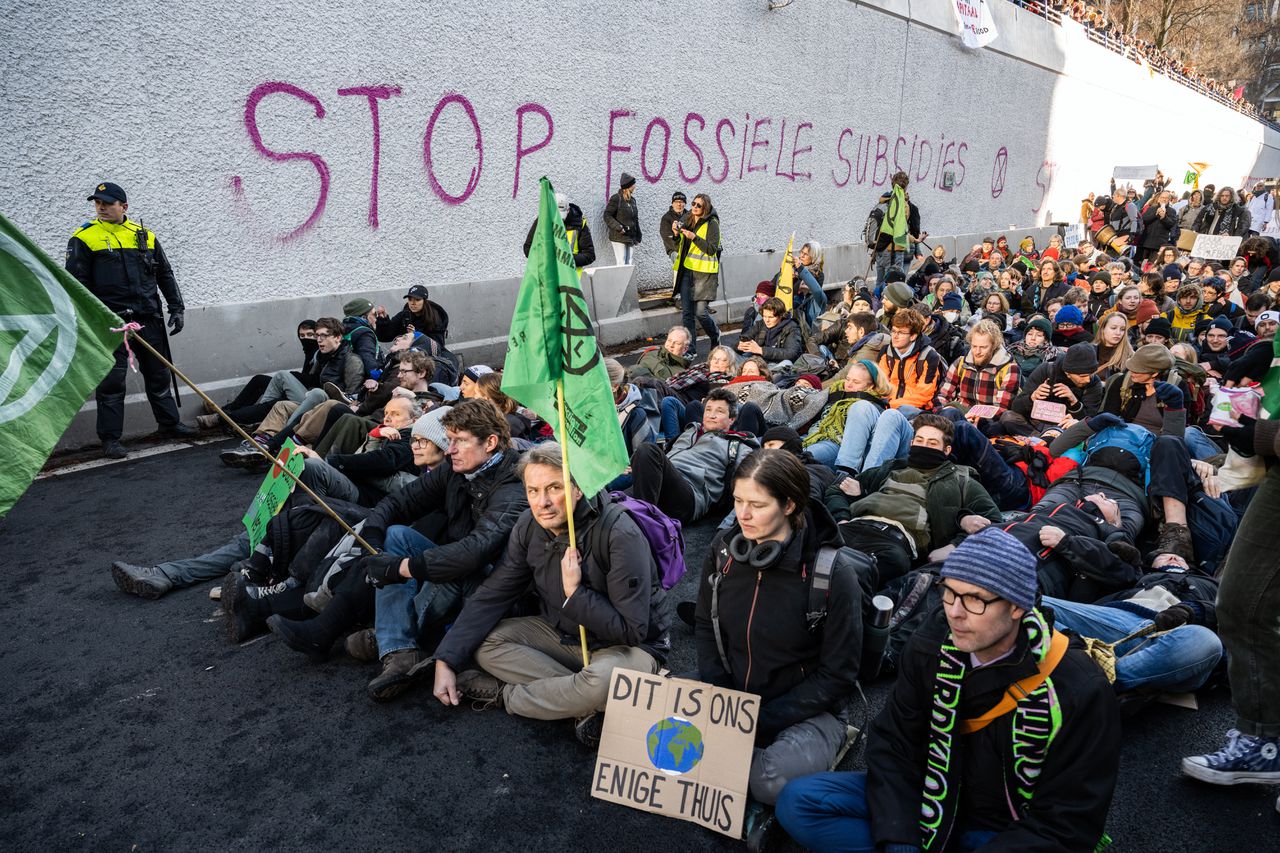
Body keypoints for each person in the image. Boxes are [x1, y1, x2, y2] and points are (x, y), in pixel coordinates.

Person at [776, 527, 1121, 853]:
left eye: (974, 600)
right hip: (932, 793)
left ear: (1017, 606)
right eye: (949, 592)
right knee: (799, 802)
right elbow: (896, 743)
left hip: (1008, 826)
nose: (955, 613)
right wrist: (902, 840)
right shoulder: (932, 642)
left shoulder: (1078, 688)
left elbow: (1067, 824)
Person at [431, 442, 669, 745]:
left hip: (627, 647)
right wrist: (446, 660)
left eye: (554, 488)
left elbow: (632, 630)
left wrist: (575, 594)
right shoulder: (528, 526)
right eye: (533, 491)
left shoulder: (620, 533)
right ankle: (579, 700)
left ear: (579, 488)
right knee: (487, 643)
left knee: (602, 682)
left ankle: (507, 695)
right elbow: (494, 593)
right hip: (565, 636)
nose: (542, 502)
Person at [695, 449, 864, 807]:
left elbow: (839, 674)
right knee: (650, 722)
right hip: (734, 696)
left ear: (789, 505)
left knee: (770, 781)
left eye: (757, 504)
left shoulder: (833, 574)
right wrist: (723, 696)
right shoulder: (723, 550)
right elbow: (704, 624)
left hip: (806, 711)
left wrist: (759, 720)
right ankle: (730, 762)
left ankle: (826, 744)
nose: (742, 514)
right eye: (738, 500)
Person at [338, 399, 529, 701]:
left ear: (490, 442)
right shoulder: (457, 467)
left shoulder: (513, 485)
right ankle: (400, 647)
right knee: (397, 534)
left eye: (459, 441)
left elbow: (475, 551)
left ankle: (396, 637)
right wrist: (373, 539)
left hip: (500, 590)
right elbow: (399, 502)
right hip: (464, 564)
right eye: (449, 440)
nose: (449, 449)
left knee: (455, 564)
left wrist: (401, 568)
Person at [65, 181, 195, 458]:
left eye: (108, 203)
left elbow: (165, 274)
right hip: (111, 323)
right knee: (112, 384)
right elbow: (76, 285)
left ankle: (169, 424)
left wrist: (177, 307)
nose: (101, 207)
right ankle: (110, 440)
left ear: (123, 206)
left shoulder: (144, 235)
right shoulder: (84, 237)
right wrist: (90, 322)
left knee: (159, 375)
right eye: (97, 202)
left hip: (148, 318)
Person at [825, 413, 1003, 585]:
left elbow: (994, 522)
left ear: (946, 450)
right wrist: (841, 518)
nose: (924, 446)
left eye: (932, 443)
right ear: (911, 442)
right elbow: (836, 490)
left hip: (895, 543)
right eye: (920, 440)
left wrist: (954, 546)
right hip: (853, 526)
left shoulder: (961, 480)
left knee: (874, 568)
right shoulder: (891, 468)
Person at [628, 388, 759, 524]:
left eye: (719, 411)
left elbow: (748, 485)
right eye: (708, 410)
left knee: (647, 449)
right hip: (659, 483)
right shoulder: (690, 431)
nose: (711, 415)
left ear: (731, 419)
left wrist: (727, 527)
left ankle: (643, 522)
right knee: (609, 495)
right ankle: (639, 514)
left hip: (690, 494)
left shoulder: (738, 445)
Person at [802, 359, 911, 474]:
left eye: (856, 382)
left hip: (836, 444)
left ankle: (847, 473)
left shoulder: (871, 407)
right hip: (811, 436)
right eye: (848, 379)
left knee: (799, 459)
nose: (848, 385)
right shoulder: (834, 392)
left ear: (870, 386)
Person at [936, 320, 1021, 425]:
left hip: (988, 420)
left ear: (994, 346)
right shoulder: (961, 363)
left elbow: (1001, 408)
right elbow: (943, 394)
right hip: (960, 411)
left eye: (983, 347)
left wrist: (975, 418)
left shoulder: (1009, 368)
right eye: (974, 346)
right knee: (948, 413)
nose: (977, 352)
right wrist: (943, 408)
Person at [672, 192, 721, 354]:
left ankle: (715, 335)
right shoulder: (687, 218)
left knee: (701, 313)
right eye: (693, 204)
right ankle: (691, 349)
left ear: (705, 207)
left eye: (698, 205)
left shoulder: (712, 223)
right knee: (687, 314)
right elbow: (680, 243)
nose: (694, 207)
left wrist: (694, 237)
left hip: (705, 275)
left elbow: (712, 249)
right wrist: (676, 234)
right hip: (687, 271)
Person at [876, 308, 945, 415]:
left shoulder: (929, 356)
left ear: (913, 336)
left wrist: (893, 406)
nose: (895, 336)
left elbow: (924, 394)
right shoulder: (886, 352)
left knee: (902, 412)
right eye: (893, 331)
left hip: (917, 410)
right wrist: (886, 404)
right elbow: (880, 385)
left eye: (901, 333)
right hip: (887, 406)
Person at [524, 192, 595, 269]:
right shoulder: (541, 222)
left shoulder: (579, 224)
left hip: (570, 277)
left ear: (568, 210)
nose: (559, 222)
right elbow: (528, 248)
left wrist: (565, 259)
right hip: (548, 276)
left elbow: (589, 255)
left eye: (561, 219)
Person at [737, 296, 806, 366]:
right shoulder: (761, 324)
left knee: (786, 363)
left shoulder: (792, 328)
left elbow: (791, 353)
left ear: (781, 316)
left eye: (771, 317)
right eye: (764, 316)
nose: (767, 320)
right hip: (761, 360)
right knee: (729, 355)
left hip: (778, 363)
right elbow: (747, 336)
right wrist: (740, 345)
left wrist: (761, 350)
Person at [374, 285, 449, 347]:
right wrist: (383, 321)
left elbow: (437, 346)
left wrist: (415, 335)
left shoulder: (434, 317)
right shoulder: (404, 315)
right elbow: (385, 337)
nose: (413, 303)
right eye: (410, 299)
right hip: (406, 357)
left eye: (417, 299)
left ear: (424, 301)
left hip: (427, 360)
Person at [603, 172, 641, 265]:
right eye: (633, 184)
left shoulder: (632, 200)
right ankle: (620, 280)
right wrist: (619, 227)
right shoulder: (616, 198)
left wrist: (638, 234)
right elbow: (607, 215)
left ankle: (627, 280)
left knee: (629, 262)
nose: (635, 186)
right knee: (621, 262)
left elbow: (635, 219)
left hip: (630, 237)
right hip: (619, 236)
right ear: (628, 186)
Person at [658, 191, 687, 264]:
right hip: (674, 249)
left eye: (681, 202)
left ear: (685, 204)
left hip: (688, 248)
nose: (679, 204)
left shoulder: (689, 216)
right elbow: (667, 238)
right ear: (672, 203)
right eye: (676, 202)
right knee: (679, 260)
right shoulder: (666, 218)